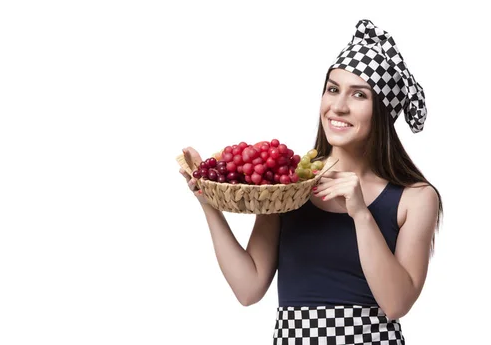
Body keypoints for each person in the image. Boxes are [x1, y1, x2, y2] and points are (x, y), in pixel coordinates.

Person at [179, 19, 443, 344]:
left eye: (359, 95)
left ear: (383, 112)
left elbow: (396, 304)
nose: (339, 106)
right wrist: (209, 204)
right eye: (333, 89)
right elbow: (248, 289)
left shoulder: (415, 198)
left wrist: (361, 214)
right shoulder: (289, 186)